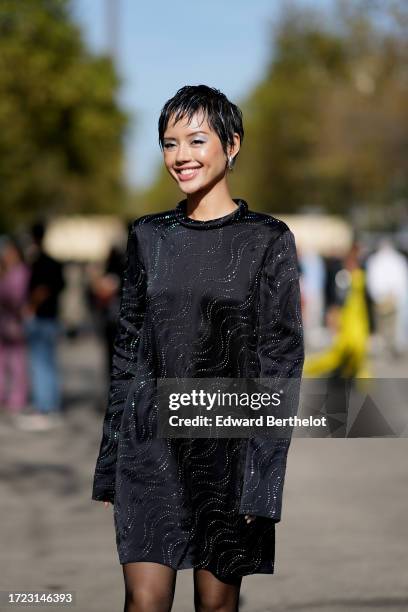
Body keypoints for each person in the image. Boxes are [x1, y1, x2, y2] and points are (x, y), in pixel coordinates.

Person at [91, 85, 304, 612]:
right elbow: (129, 350)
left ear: (232, 144)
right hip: (149, 447)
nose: (181, 155)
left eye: (196, 139)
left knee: (215, 605)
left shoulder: (268, 239)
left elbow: (280, 364)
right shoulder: (147, 237)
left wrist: (263, 477)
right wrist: (111, 457)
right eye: (169, 143)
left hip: (227, 451)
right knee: (143, 603)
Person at [19, 221, 65, 431]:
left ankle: (44, 408)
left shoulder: (40, 261)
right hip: (51, 317)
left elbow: (42, 288)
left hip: (41, 318)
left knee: (40, 365)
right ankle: (49, 406)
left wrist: (31, 306)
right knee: (47, 364)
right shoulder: (53, 261)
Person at [0, 236, 30, 417]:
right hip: (4, 321)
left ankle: (18, 396)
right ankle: (4, 393)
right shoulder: (6, 271)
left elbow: (17, 297)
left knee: (17, 361)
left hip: (15, 321)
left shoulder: (21, 272)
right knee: (3, 359)